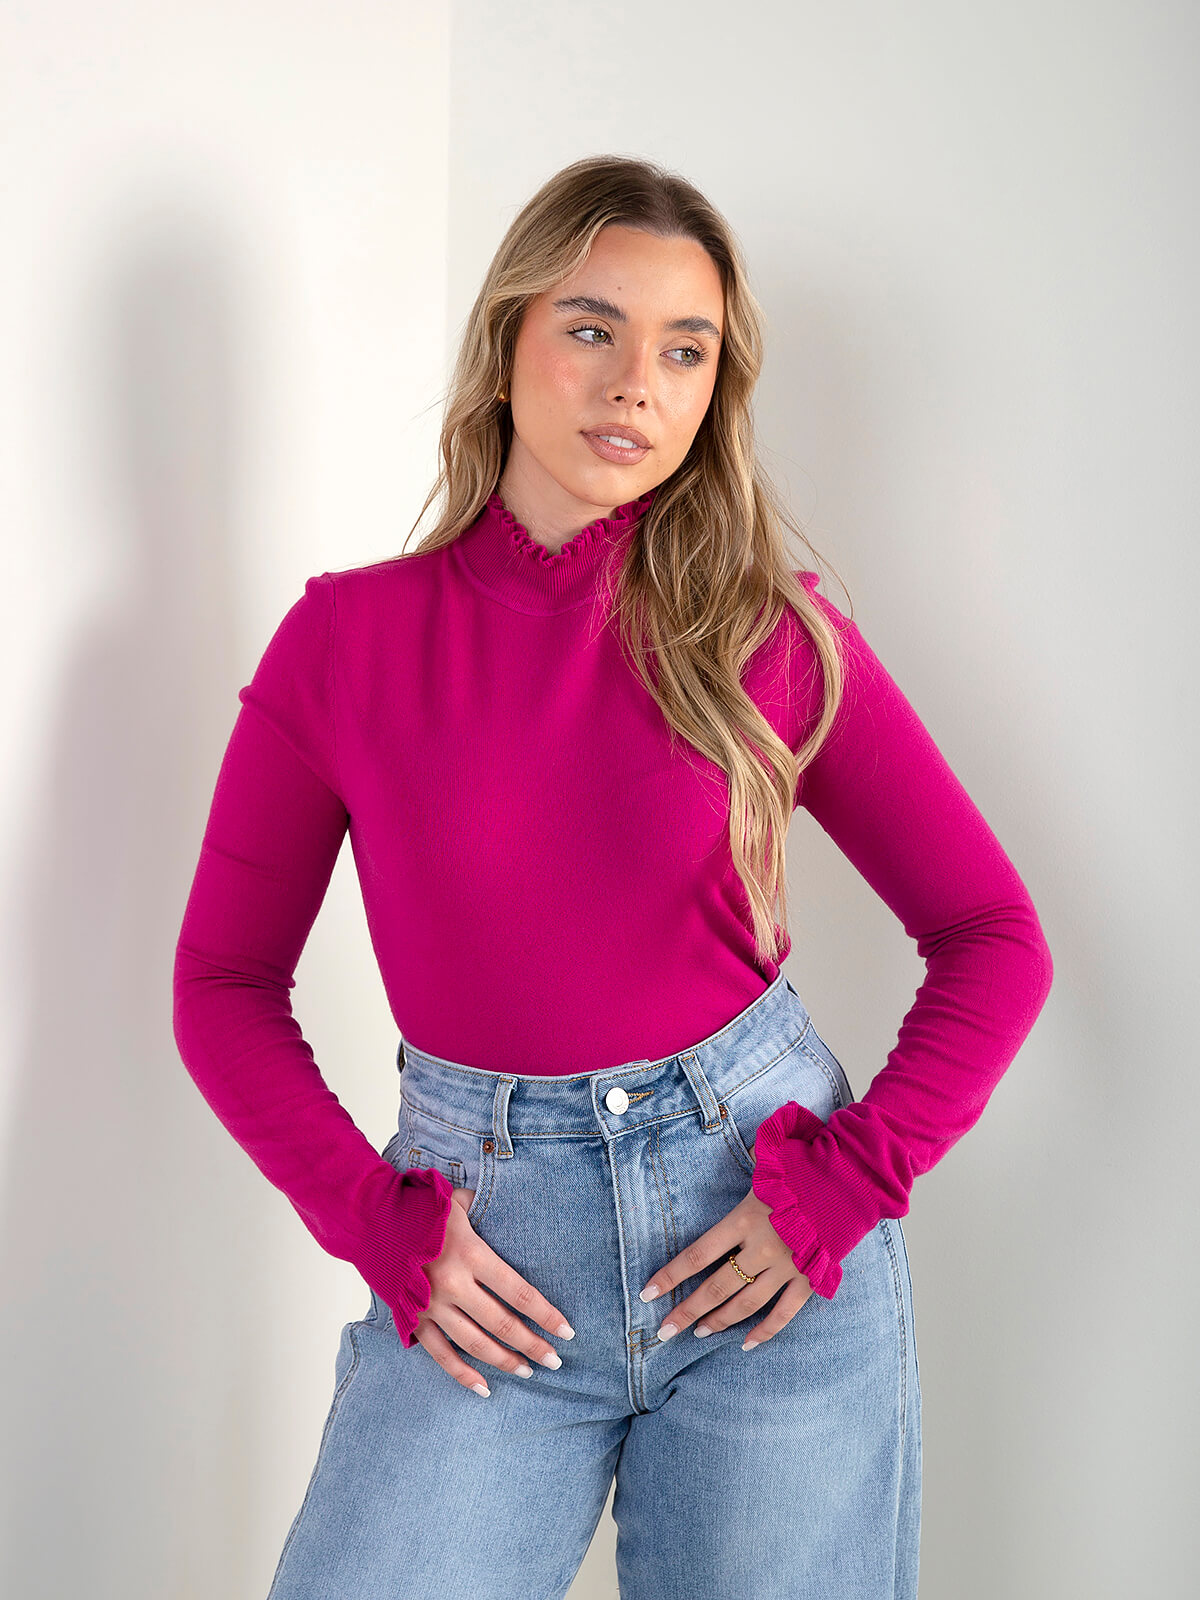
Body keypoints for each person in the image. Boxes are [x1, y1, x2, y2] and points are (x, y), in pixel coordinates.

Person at [173, 154, 1054, 1599]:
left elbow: (992, 933)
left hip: (759, 1247)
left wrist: (846, 1189)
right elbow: (222, 983)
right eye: (593, 328)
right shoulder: (348, 643)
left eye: (684, 350)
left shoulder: (770, 633)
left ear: (713, 391)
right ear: (507, 341)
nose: (636, 383)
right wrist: (372, 1221)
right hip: (484, 1256)